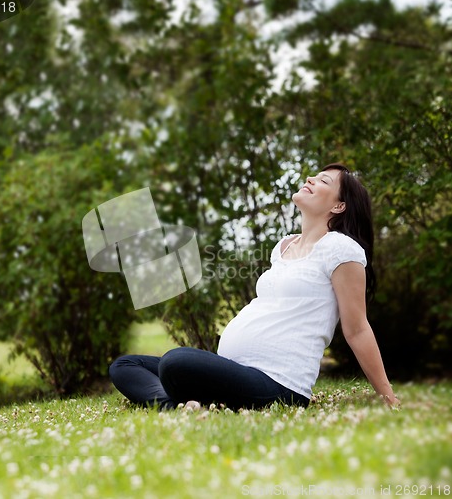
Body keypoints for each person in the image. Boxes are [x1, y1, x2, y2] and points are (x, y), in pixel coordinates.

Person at [109, 163, 400, 411]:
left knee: (174, 362)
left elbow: (357, 328)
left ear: (339, 205)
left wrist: (387, 396)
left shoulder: (341, 249)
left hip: (277, 383)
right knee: (125, 366)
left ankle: (188, 398)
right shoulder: (284, 245)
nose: (310, 179)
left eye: (323, 180)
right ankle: (178, 406)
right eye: (313, 175)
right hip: (234, 370)